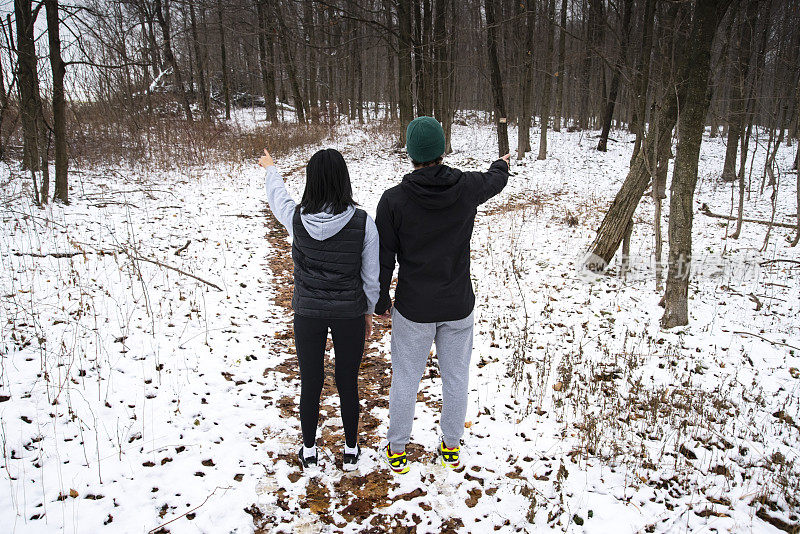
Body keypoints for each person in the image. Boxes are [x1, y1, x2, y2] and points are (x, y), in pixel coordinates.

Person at [375, 117, 510, 473]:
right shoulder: (466, 187)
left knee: (406, 377)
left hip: (414, 307)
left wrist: (380, 299)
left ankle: (398, 448)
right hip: (457, 304)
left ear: (410, 153)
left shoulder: (393, 201)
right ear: (441, 149)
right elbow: (495, 181)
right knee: (456, 377)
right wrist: (502, 165)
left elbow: (384, 257)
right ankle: (451, 447)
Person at [259, 148, 379, 472]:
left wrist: (271, 169)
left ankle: (309, 450)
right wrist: (368, 311)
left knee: (310, 381)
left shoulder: (296, 218)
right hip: (349, 314)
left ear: (311, 181)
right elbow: (371, 276)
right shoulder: (364, 223)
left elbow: (278, 198)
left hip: (308, 314)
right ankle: (351, 450)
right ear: (344, 179)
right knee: (347, 381)